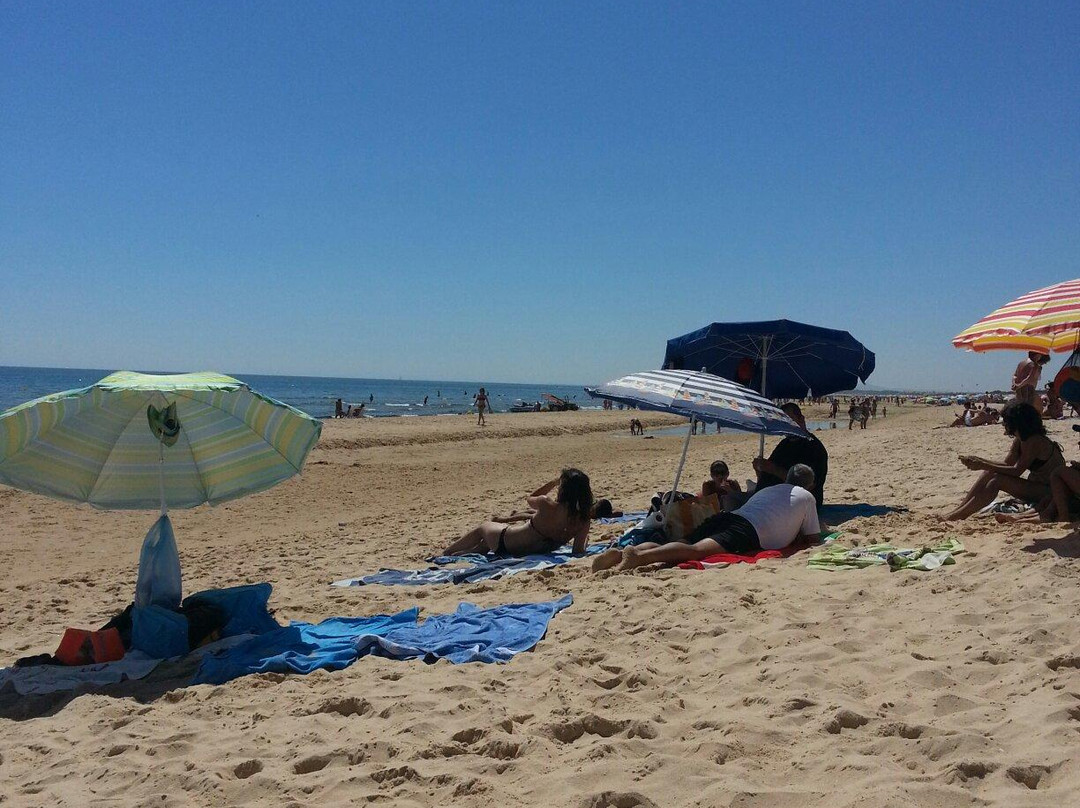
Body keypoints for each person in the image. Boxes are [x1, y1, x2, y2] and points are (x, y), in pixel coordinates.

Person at [592, 465, 820, 572]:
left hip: (729, 517)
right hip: (749, 530)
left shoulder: (770, 489)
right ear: (808, 485)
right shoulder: (807, 496)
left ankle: (623, 554)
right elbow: (812, 538)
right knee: (697, 551)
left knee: (683, 543)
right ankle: (640, 557)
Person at [942, 401, 1065, 520]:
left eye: (1006, 420)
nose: (1003, 424)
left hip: (1051, 491)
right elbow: (1007, 464)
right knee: (988, 472)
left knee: (996, 481)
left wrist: (982, 464)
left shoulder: (1034, 441)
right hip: (1038, 486)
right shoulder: (1021, 438)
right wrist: (980, 461)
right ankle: (958, 511)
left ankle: (961, 514)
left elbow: (1016, 471)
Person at [444, 469, 593, 557]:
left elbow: (530, 498)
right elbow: (577, 551)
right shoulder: (583, 520)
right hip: (529, 551)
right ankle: (465, 553)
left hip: (507, 544)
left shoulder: (546, 504)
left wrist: (553, 483)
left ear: (563, 489)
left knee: (484, 527)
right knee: (485, 545)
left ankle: (447, 553)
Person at [753, 403, 828, 506]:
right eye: (782, 421)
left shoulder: (813, 447)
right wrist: (760, 469)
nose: (786, 425)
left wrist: (773, 469)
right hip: (769, 499)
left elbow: (808, 485)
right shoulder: (784, 444)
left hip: (796, 504)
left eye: (789, 420)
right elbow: (768, 476)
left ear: (801, 419)